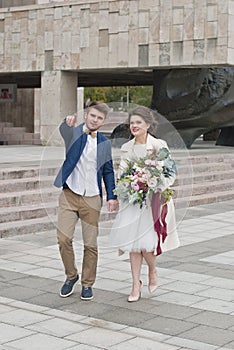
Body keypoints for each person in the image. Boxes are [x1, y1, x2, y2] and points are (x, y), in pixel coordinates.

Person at [110, 106, 179, 302]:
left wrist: (157, 184)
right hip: (133, 202)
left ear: (148, 125)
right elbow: (122, 176)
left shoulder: (158, 145)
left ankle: (152, 270)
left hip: (153, 202)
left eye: (138, 122)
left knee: (148, 246)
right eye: (132, 123)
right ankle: (134, 285)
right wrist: (130, 185)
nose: (134, 126)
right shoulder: (126, 148)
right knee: (133, 245)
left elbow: (170, 173)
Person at [54, 102, 118, 301]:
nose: (95, 120)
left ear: (103, 121)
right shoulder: (74, 134)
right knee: (63, 239)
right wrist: (66, 123)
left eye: (99, 118)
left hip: (92, 198)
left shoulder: (104, 143)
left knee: (90, 244)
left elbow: (108, 170)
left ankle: (87, 283)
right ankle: (71, 276)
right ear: (86, 114)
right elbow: (64, 130)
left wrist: (112, 196)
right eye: (92, 116)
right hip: (69, 195)